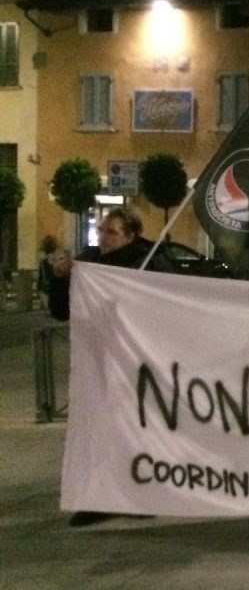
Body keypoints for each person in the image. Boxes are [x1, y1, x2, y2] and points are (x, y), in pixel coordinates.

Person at [50, 206, 172, 526]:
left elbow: (163, 307)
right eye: (102, 231)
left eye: (112, 232)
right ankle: (102, 496)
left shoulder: (150, 261)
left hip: (137, 365)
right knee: (99, 428)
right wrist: (62, 279)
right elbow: (62, 311)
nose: (103, 238)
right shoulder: (91, 265)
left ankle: (139, 492)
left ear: (131, 235)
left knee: (135, 429)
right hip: (99, 363)